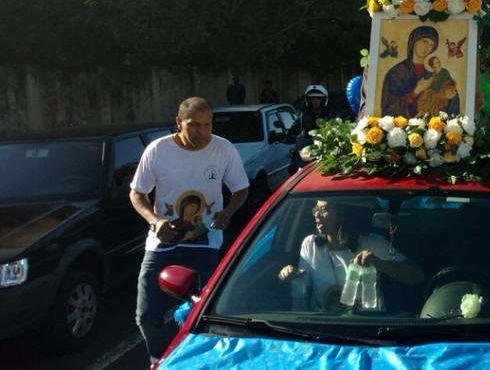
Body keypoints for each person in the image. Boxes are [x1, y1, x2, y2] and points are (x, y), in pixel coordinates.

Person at [129, 97, 249, 363]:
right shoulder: (158, 150)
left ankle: (198, 362)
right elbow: (137, 194)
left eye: (208, 125)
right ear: (178, 122)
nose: (203, 133)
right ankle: (160, 361)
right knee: (147, 316)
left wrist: (227, 212)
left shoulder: (223, 149)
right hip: (163, 243)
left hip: (205, 244)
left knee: (204, 315)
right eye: (195, 126)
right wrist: (155, 221)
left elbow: (241, 188)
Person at [278, 199, 424, 311]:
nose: (317, 214)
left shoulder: (371, 243)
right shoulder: (310, 244)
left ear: (342, 214)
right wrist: (294, 276)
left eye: (324, 209)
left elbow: (417, 276)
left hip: (368, 328)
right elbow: (304, 292)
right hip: (323, 329)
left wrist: (380, 264)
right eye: (315, 209)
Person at [380, 26, 445, 117]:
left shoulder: (431, 74)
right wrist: (415, 92)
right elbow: (388, 107)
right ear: (414, 42)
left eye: (431, 45)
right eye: (424, 42)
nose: (427, 47)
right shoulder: (396, 73)